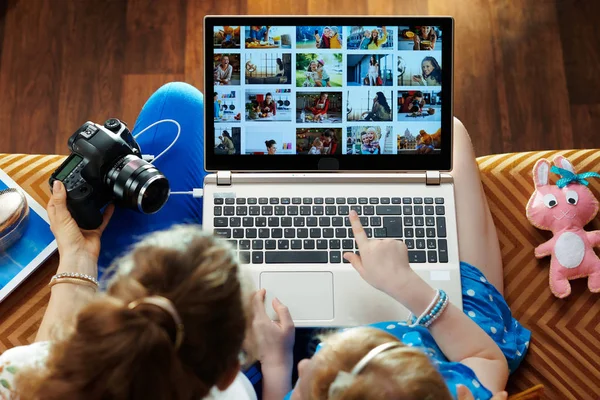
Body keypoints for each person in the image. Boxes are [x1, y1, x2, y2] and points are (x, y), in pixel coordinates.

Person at [0, 82, 264, 400]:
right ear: (229, 374)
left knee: (174, 100)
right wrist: (277, 364)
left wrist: (77, 256)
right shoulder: (238, 393)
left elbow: (50, 356)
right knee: (176, 100)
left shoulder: (20, 374)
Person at [247, 118, 530, 400]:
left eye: (308, 389)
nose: (304, 364)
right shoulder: (456, 389)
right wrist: (408, 286)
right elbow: (486, 357)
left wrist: (277, 362)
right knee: (451, 131)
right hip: (454, 337)